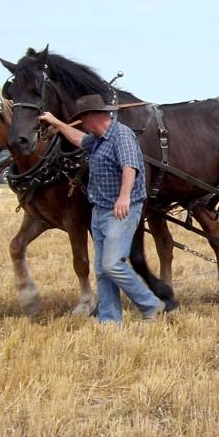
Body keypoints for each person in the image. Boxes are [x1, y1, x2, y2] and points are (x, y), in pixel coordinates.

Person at [39, 95, 169, 323]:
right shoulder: (97, 140)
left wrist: (124, 197)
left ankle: (151, 304)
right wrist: (58, 124)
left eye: (82, 119)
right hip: (99, 211)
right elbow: (79, 139)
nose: (82, 124)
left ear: (92, 116)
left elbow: (130, 167)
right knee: (102, 269)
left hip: (120, 211)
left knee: (112, 264)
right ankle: (109, 320)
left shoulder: (121, 135)